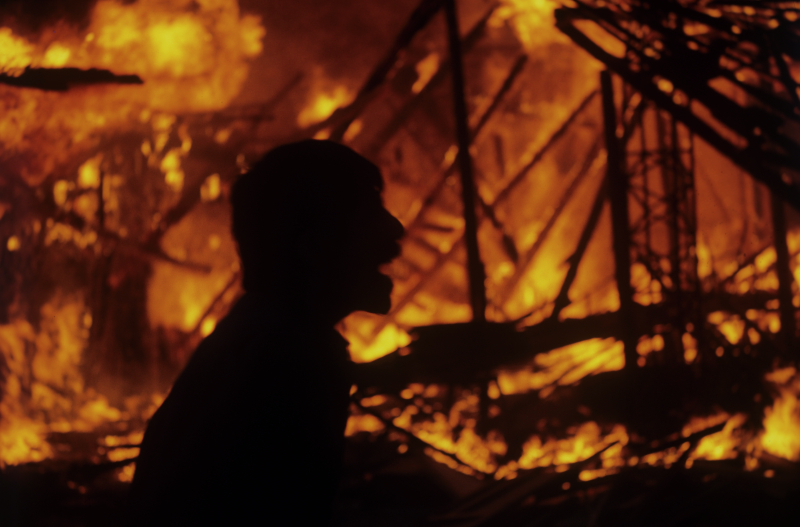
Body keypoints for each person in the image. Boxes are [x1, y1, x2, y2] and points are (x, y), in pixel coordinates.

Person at [128, 140, 404, 526]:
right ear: (314, 248)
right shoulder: (296, 363)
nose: (395, 230)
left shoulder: (260, 337)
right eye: (371, 216)